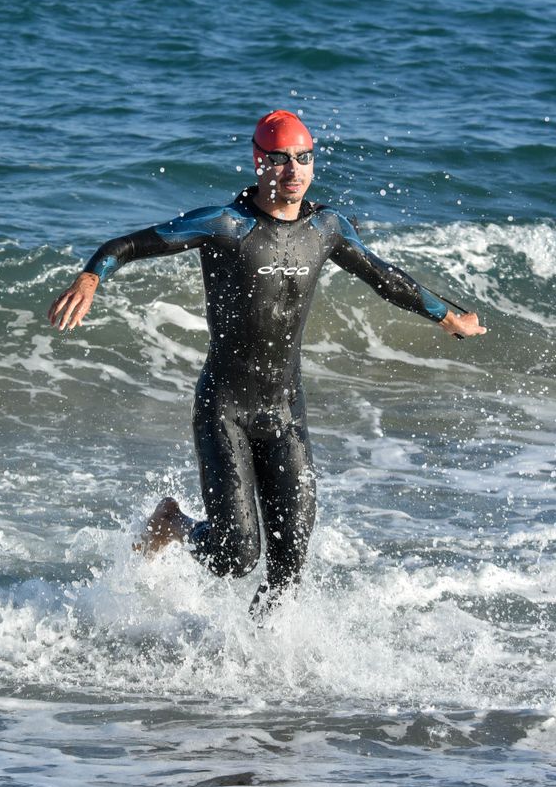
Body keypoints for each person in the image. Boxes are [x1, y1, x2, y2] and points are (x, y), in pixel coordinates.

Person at [47, 110, 485, 612]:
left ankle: (259, 675)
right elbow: (129, 244)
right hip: (225, 408)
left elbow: (385, 277)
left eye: (302, 158)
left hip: (285, 412)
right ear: (258, 162)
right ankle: (172, 522)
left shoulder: (327, 228)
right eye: (279, 160)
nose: (292, 169)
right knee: (235, 555)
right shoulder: (225, 225)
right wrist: (91, 276)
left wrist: (445, 314)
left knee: (290, 561)